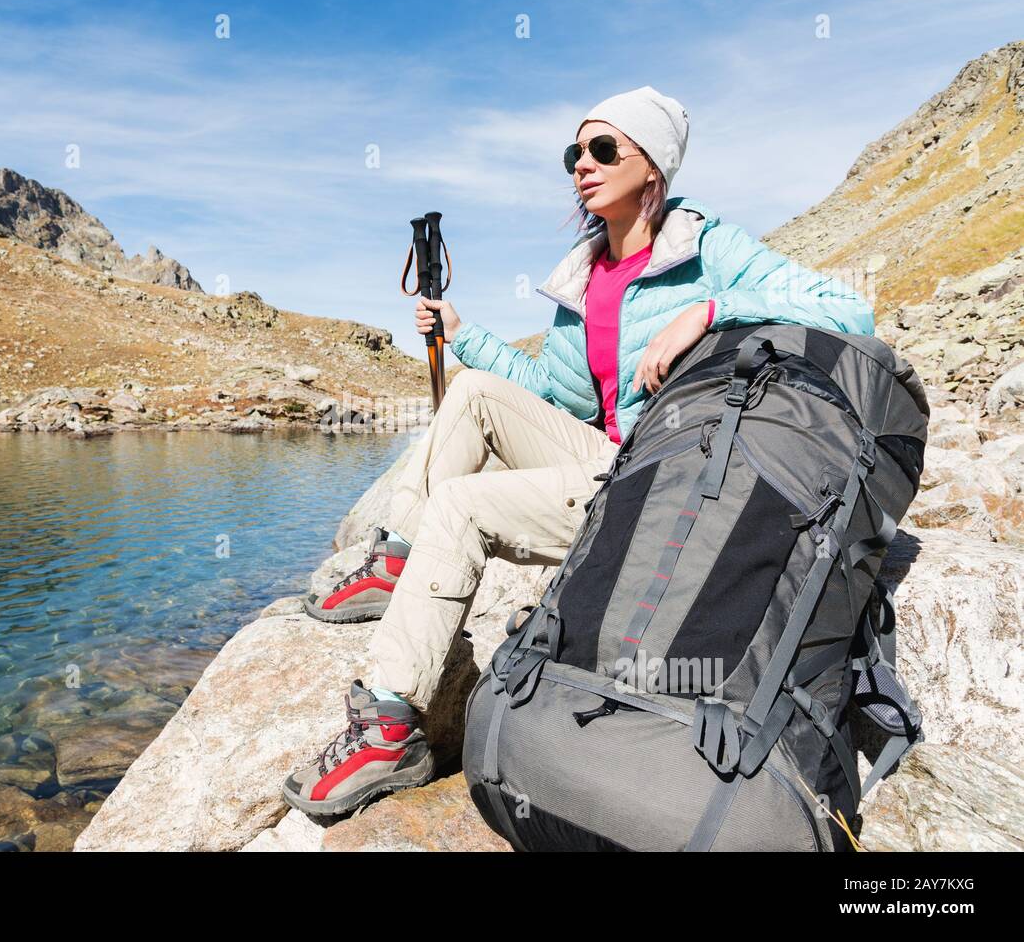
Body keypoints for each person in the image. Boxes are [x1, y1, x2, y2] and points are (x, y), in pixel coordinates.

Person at [284, 85, 876, 816]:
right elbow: (549, 392)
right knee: (470, 392)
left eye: (603, 149)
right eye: (574, 153)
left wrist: (710, 311)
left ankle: (390, 725)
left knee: (466, 507)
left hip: (661, 477)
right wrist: (461, 333)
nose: (581, 166)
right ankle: (401, 556)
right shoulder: (586, 274)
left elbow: (851, 309)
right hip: (603, 454)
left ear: (653, 166)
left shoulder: (710, 249)